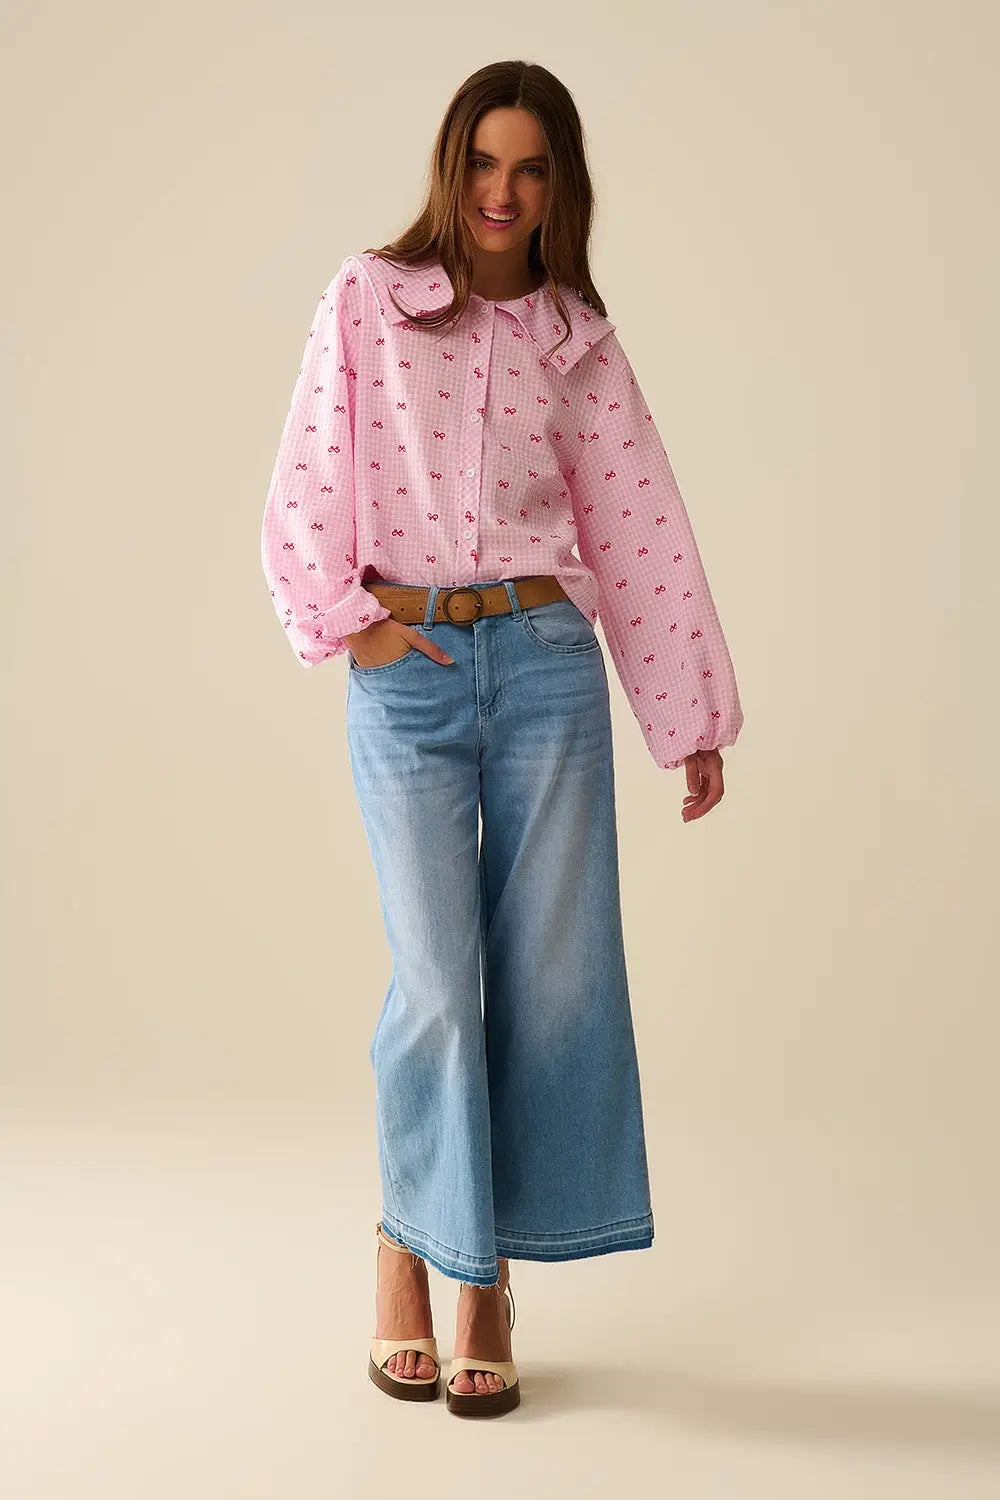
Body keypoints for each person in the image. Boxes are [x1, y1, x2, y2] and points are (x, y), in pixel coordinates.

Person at [259, 59, 744, 1418]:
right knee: (435, 980)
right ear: (451, 164)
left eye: (531, 169)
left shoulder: (577, 338)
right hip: (408, 669)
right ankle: (407, 1250)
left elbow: (640, 526)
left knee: (553, 984)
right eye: (484, 161)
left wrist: (689, 717)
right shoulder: (370, 299)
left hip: (545, 668)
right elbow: (307, 476)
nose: (502, 192)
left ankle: (486, 1283)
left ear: (560, 185)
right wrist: (348, 624)